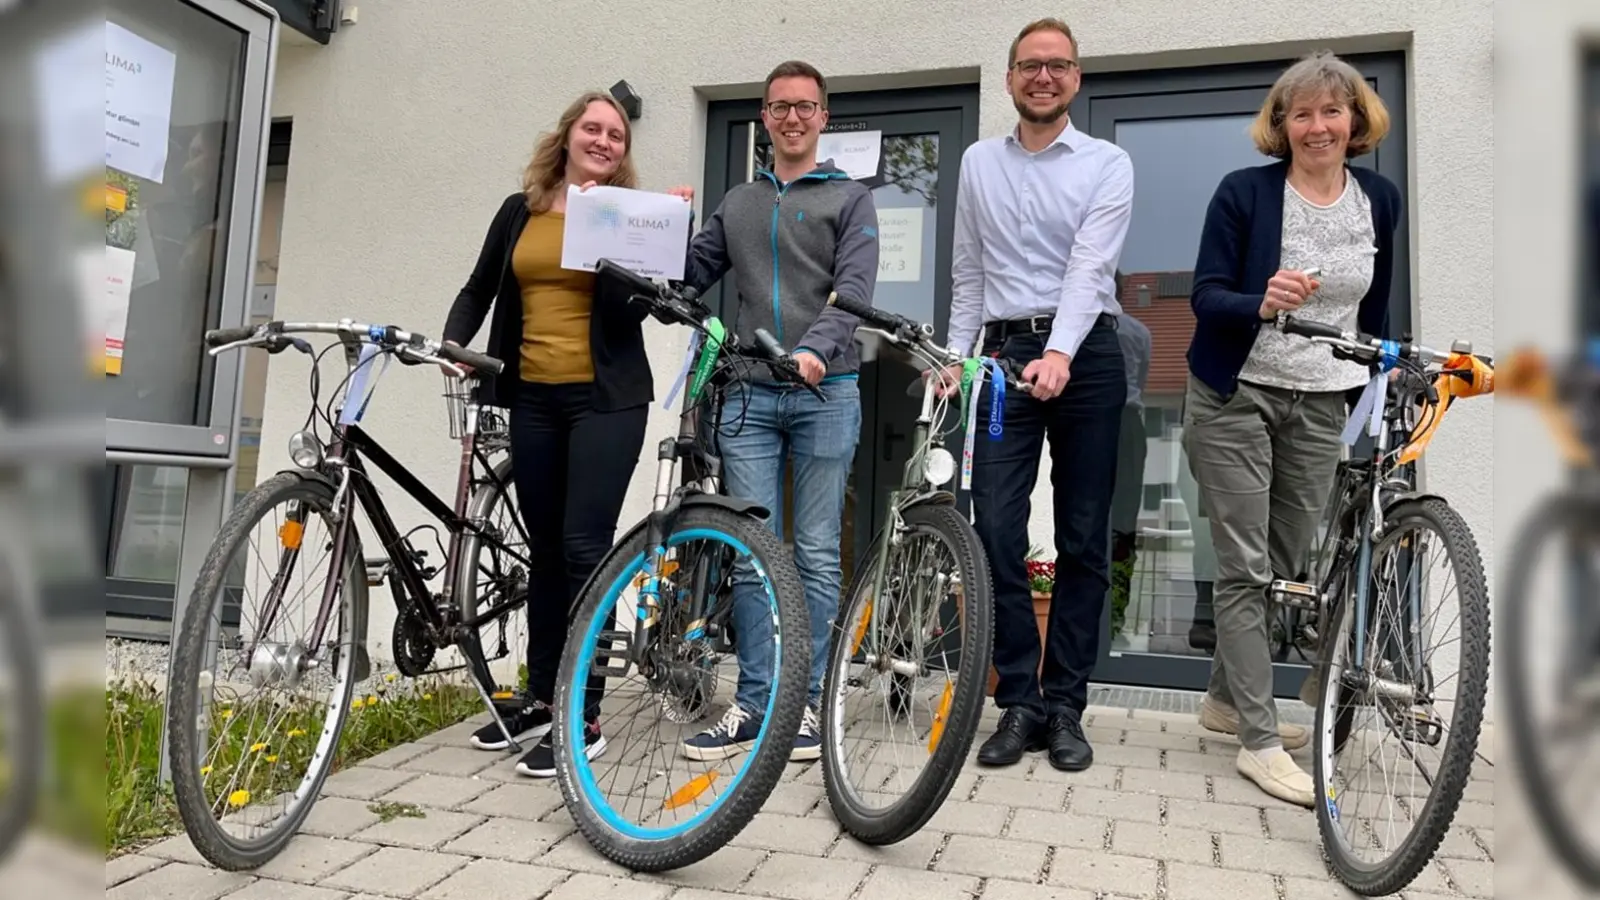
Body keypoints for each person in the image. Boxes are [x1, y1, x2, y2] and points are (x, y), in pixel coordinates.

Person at [442, 90, 693, 778]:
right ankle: (541, 695)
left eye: (616, 134)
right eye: (594, 127)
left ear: (622, 153)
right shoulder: (517, 210)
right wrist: (451, 344)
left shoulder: (624, 217)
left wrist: (661, 233)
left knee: (584, 548)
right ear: (568, 134)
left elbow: (646, 310)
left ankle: (583, 714)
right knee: (545, 551)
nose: (605, 139)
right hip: (533, 399)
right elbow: (478, 289)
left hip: (606, 401)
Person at [1182, 50, 1400, 807]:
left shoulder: (1379, 198)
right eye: (1300, 113)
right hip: (1236, 392)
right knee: (1246, 568)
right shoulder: (1245, 194)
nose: (1317, 126)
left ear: (1355, 120)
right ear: (1281, 125)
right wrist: (1262, 299)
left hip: (1322, 399)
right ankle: (1259, 739)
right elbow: (1207, 295)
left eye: (1331, 111)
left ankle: (1222, 703)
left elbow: (1372, 313)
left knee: (1286, 562)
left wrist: (1381, 373)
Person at [941, 18, 1134, 772]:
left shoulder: (1107, 163)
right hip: (1001, 354)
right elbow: (968, 273)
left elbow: (1092, 267)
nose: (1043, 77)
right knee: (996, 528)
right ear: (1011, 76)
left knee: (1085, 538)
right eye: (1030, 65)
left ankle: (1066, 707)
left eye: (1057, 65)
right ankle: (1018, 698)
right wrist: (957, 360)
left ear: (1076, 78)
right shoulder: (978, 163)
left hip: (1084, 353)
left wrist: (1059, 351)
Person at [676, 60, 879, 763]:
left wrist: (819, 349)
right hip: (750, 397)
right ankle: (758, 703)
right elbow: (690, 272)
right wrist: (664, 227)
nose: (792, 117)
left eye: (806, 107)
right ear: (764, 117)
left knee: (818, 551)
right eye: (779, 107)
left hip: (827, 390)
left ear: (824, 117)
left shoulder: (850, 199)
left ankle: (811, 700)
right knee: (752, 552)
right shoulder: (739, 202)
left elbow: (852, 291)